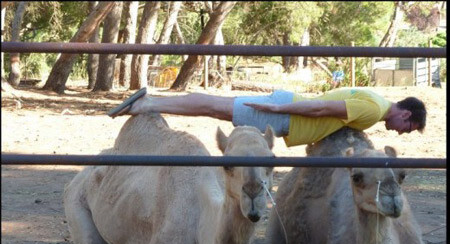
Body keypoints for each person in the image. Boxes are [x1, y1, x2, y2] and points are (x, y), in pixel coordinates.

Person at [108, 87, 427, 147]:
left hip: (289, 115)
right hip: (288, 115)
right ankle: (149, 105)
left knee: (217, 108)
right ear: (406, 113)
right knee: (217, 107)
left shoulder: (375, 100)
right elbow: (320, 108)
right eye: (408, 127)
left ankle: (152, 103)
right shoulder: (373, 110)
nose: (402, 132)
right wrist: (278, 109)